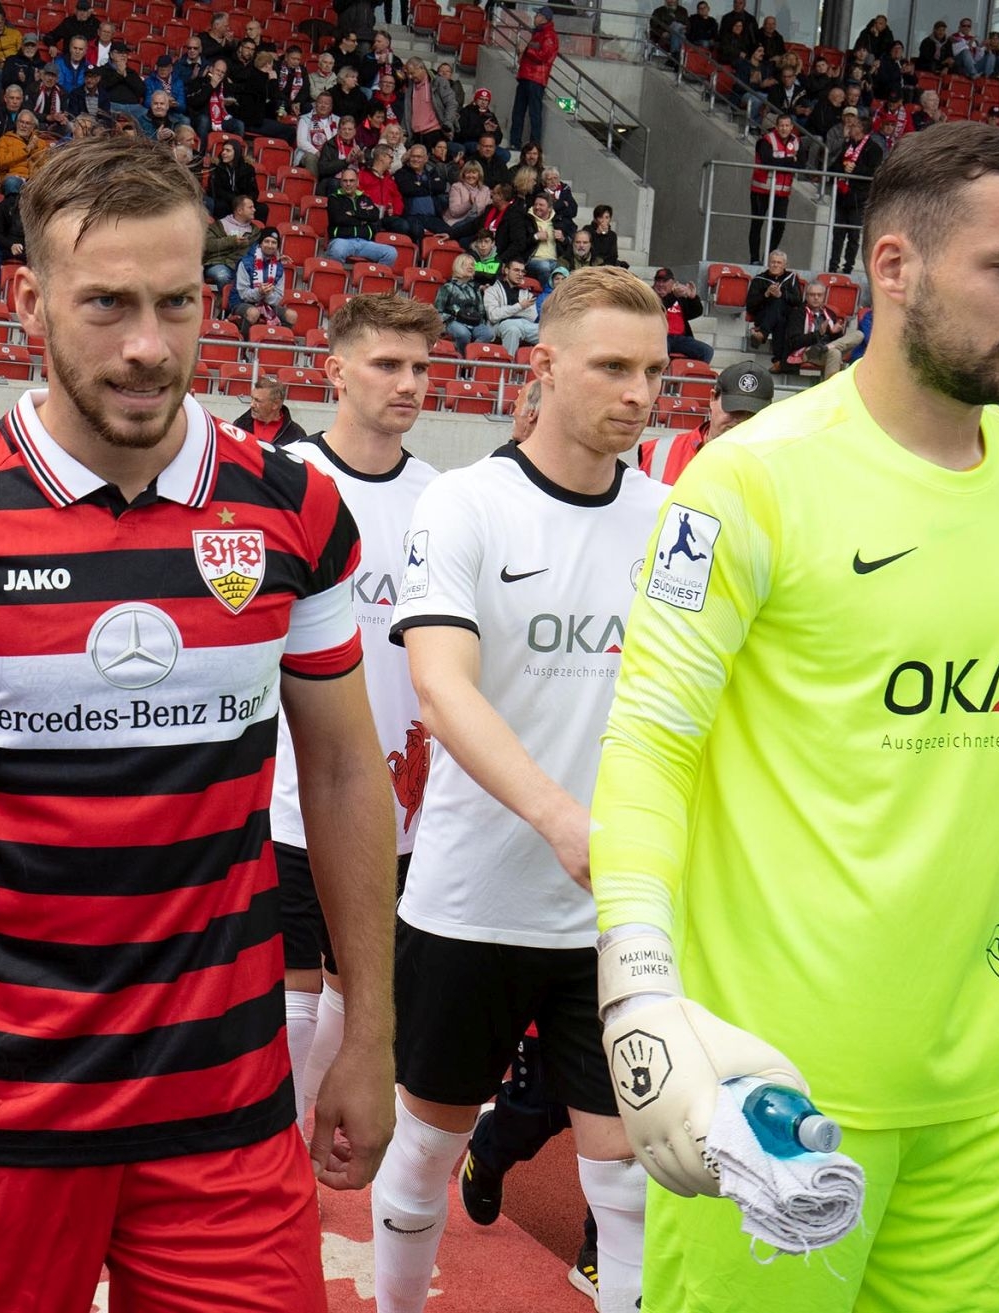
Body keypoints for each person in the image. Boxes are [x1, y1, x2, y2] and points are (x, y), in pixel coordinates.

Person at [0, 132, 395, 1312]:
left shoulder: (294, 507)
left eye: (177, 303)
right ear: (28, 302)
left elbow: (340, 771)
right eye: (108, 303)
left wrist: (371, 1029)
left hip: (224, 1096)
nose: (148, 345)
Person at [592, 121, 999, 1313]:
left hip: (988, 1093)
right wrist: (637, 989)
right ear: (895, 266)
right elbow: (652, 743)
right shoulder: (751, 479)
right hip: (775, 1092)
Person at [377, 267, 667, 1313]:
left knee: (629, 1180)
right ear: (541, 366)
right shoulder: (466, 503)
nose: (639, 393)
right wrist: (559, 818)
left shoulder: (672, 520)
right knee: (423, 1151)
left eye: (655, 372)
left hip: (616, 911)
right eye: (613, 366)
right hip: (473, 901)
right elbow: (442, 687)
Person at [278, 294, 439, 1138]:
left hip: (400, 801)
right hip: (284, 793)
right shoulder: (283, 482)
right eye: (387, 364)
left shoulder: (444, 500)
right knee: (288, 996)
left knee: (360, 990)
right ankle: (276, 1158)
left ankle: (309, 1141)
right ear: (335, 371)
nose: (408, 383)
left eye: (419, 367)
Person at [638, 360, 771, 485]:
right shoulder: (657, 453)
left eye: (752, 414)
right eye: (734, 410)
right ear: (712, 398)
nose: (741, 421)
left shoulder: (775, 466)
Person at [830, 110, 881, 276]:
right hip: (842, 196)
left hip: (859, 198)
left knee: (853, 235)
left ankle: (848, 268)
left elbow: (874, 173)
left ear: (861, 130)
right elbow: (834, 166)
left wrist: (855, 169)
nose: (850, 127)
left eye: (854, 126)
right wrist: (844, 168)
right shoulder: (847, 145)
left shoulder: (874, 149)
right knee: (837, 234)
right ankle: (832, 266)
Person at [749, 113, 801, 264]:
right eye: (781, 125)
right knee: (757, 224)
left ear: (791, 127)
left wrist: (781, 162)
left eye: (787, 125)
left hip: (782, 193)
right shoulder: (766, 140)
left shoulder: (796, 141)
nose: (784, 128)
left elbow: (801, 164)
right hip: (761, 190)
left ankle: (767, 259)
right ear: (776, 127)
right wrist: (790, 160)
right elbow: (768, 161)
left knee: (779, 226)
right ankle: (754, 259)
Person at [767, 278, 847, 375]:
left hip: (828, 349)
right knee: (835, 353)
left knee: (859, 335)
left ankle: (832, 349)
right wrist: (818, 334)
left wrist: (836, 333)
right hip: (809, 351)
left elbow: (836, 339)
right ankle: (831, 384)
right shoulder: (797, 313)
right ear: (806, 296)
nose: (816, 298)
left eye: (819, 295)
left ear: (824, 296)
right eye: (812, 295)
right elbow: (794, 342)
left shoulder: (830, 314)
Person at [230, 226, 296, 334]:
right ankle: (244, 343)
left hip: (267, 304)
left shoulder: (279, 267)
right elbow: (243, 293)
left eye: (274, 243)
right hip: (241, 302)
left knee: (291, 315)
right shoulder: (245, 262)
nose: (270, 245)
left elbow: (278, 297)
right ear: (260, 243)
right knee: (253, 313)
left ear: (277, 246)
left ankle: (277, 342)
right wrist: (259, 292)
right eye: (267, 241)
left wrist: (268, 294)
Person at [326, 166, 396, 266]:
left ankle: (373, 275)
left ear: (357, 182)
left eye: (351, 181)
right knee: (337, 250)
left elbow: (375, 215)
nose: (348, 184)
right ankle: (338, 275)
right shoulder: (334, 198)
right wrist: (363, 220)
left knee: (391, 253)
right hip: (342, 241)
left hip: (365, 242)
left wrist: (354, 214)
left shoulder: (365, 198)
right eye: (345, 181)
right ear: (340, 183)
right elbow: (338, 219)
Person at [510, 7, 557, 152]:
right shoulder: (539, 33)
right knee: (519, 112)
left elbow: (543, 56)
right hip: (527, 76)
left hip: (535, 79)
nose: (535, 16)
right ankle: (515, 142)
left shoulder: (549, 35)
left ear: (543, 18)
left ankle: (533, 145)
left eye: (537, 14)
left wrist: (526, 50)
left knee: (533, 114)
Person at [651, 268, 711, 364]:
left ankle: (693, 373)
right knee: (662, 349)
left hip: (680, 338)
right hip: (659, 337)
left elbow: (696, 312)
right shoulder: (649, 295)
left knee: (706, 351)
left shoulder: (679, 298)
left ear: (672, 283)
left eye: (664, 281)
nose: (661, 284)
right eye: (658, 281)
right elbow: (658, 309)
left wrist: (693, 298)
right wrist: (673, 296)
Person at [743, 248, 801, 345]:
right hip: (764, 315)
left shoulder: (792, 278)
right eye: (773, 262)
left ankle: (762, 333)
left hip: (787, 315)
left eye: (779, 263)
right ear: (768, 263)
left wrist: (781, 294)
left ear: (785, 265)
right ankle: (777, 355)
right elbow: (750, 306)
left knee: (779, 304)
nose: (775, 265)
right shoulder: (759, 279)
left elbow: (798, 301)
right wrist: (766, 294)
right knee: (780, 319)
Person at [233, 376, 307, 446]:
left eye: (258, 401)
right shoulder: (239, 424)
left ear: (275, 404)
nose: (252, 404)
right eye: (252, 398)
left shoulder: (296, 434)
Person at [0, 109, 48, 193]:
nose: (23, 126)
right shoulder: (4, 140)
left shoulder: (41, 143)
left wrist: (35, 150)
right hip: (14, 177)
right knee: (12, 182)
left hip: (34, 181)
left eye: (27, 123)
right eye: (21, 122)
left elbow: (46, 165)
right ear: (17, 123)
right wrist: (25, 151)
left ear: (33, 127)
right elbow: (0, 163)